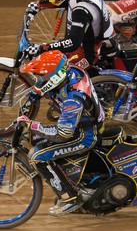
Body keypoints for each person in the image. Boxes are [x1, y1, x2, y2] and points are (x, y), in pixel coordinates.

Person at [16, 50, 106, 216]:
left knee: (37, 156)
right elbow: (49, 84)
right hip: (83, 123)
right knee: (37, 139)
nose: (39, 80)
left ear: (53, 77)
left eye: (41, 77)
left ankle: (70, 198)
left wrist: (32, 125)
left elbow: (62, 133)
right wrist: (36, 94)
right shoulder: (70, 70)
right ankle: (71, 179)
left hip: (84, 135)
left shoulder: (73, 99)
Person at [23, 0, 117, 69]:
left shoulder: (81, 10)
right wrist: (39, 5)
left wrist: (42, 48)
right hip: (86, 42)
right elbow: (64, 0)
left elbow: (72, 42)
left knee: (57, 75)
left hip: (87, 56)